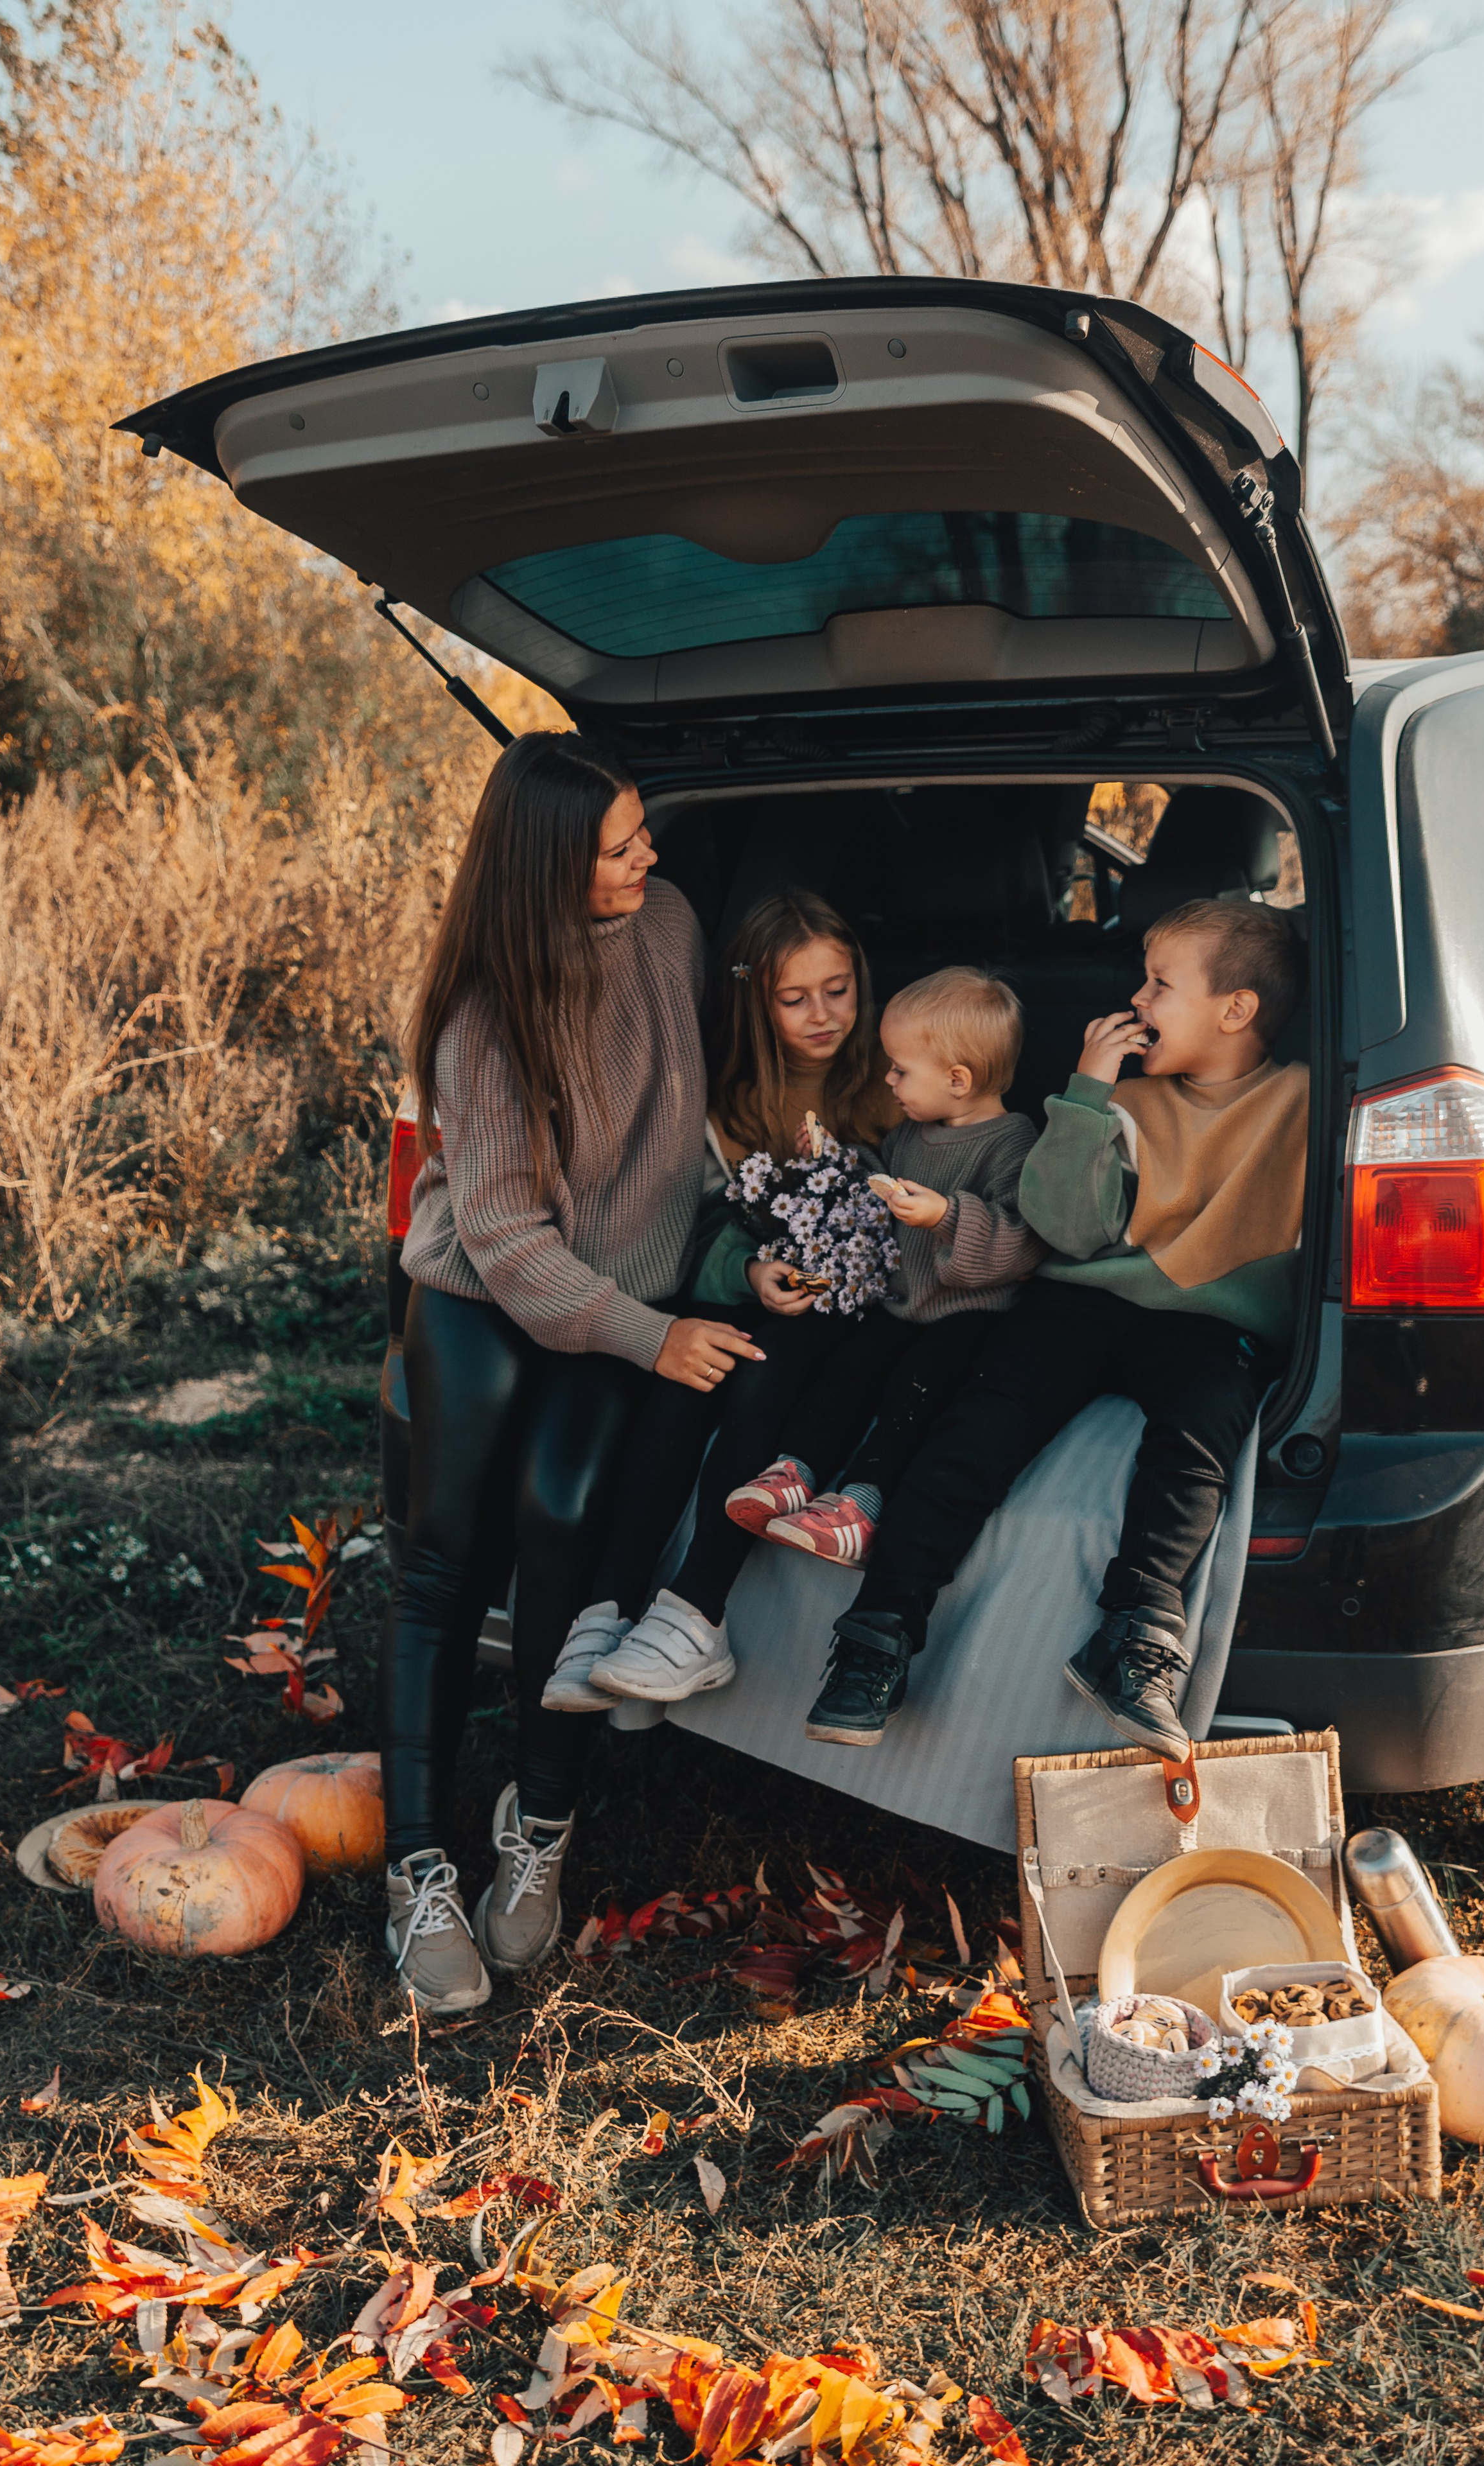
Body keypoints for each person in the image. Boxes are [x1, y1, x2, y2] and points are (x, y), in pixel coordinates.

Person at [381, 731, 766, 2014]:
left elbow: (701, 1099)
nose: (649, 853)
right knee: (442, 1557)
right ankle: (415, 1864)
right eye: (620, 844)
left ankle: (536, 1821)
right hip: (487, 1296)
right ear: (551, 867)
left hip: (623, 1288)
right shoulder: (488, 1011)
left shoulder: (664, 923)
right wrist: (652, 1338)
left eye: (642, 830)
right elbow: (497, 1234)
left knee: (564, 1530)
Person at [810, 896, 1309, 1756]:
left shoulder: (1302, 1097)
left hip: (1205, 1321)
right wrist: (1086, 1093)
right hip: (1083, 1295)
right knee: (980, 1425)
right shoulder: (1127, 1104)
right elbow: (1067, 1228)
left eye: (1160, 984)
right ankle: (877, 1634)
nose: (1138, 1001)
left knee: (1197, 1439)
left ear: (1236, 1011)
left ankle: (1139, 1633)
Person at [545, 891, 898, 1712]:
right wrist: (750, 1275)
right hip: (770, 1302)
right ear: (754, 1000)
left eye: (838, 989)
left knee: (758, 1364)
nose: (823, 1014)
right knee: (692, 1366)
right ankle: (609, 1608)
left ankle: (695, 1614)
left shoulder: (891, 1084)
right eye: (794, 997)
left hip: (869, 1316)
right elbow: (703, 1229)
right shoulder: (724, 1105)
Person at [723, 968, 1044, 1611]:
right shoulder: (909, 1133)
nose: (888, 1082)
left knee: (913, 1393)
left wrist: (947, 1216)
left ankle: (860, 1507)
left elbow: (1023, 1239)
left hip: (969, 1315)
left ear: (958, 1080)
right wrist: (837, 1161)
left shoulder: (1013, 1142)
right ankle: (797, 1470)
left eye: (900, 1070)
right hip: (899, 1304)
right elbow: (878, 1181)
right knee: (849, 1370)